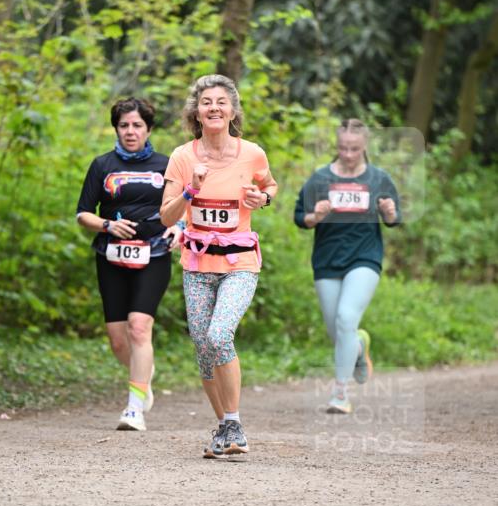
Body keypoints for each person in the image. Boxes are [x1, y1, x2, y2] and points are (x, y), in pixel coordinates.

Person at [161, 74, 278, 459]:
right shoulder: (182, 157)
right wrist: (191, 189)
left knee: (218, 335)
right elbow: (165, 217)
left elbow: (269, 186)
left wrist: (263, 198)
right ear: (196, 111)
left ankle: (233, 421)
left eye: (221, 102)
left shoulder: (252, 153)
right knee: (202, 348)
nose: (213, 107)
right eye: (206, 102)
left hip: (239, 261)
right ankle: (227, 426)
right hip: (196, 263)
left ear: (232, 110)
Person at [76, 97, 182, 431]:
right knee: (118, 340)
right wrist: (107, 225)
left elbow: (183, 208)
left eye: (137, 125)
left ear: (149, 128)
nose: (130, 131)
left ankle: (134, 408)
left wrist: (179, 229)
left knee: (139, 326)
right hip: (111, 255)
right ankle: (143, 377)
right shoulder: (102, 165)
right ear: (116, 128)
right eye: (124, 125)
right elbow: (83, 213)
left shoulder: (168, 165)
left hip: (154, 253)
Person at [294, 118, 401, 413]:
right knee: (338, 331)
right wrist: (314, 217)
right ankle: (358, 347)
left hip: (365, 258)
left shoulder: (378, 178)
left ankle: (340, 393)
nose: (349, 154)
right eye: (343, 148)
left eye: (354, 149)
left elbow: (394, 218)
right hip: (327, 260)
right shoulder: (320, 179)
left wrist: (389, 212)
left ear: (364, 146)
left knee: (345, 318)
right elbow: (299, 217)